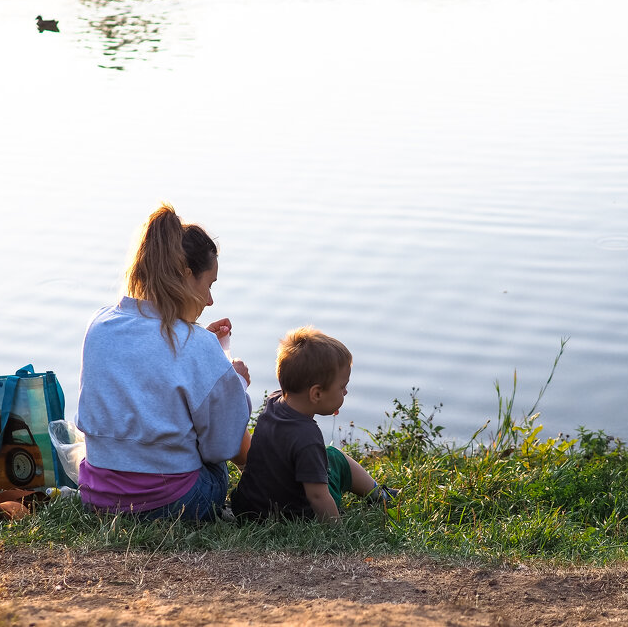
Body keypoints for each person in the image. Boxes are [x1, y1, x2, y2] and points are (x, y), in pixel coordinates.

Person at [76, 204, 251, 521]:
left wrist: (207, 357)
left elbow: (148, 367)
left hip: (96, 495)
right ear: (186, 276)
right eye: (209, 285)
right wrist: (233, 382)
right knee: (215, 464)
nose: (210, 300)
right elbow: (221, 445)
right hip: (169, 504)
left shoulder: (99, 325)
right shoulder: (196, 344)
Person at [230, 327, 395, 522]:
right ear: (316, 394)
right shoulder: (307, 437)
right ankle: (380, 495)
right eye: (342, 387)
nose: (346, 392)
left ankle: (379, 494)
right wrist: (337, 531)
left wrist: (329, 399)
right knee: (335, 457)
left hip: (248, 507)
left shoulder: (273, 404)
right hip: (292, 516)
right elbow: (317, 495)